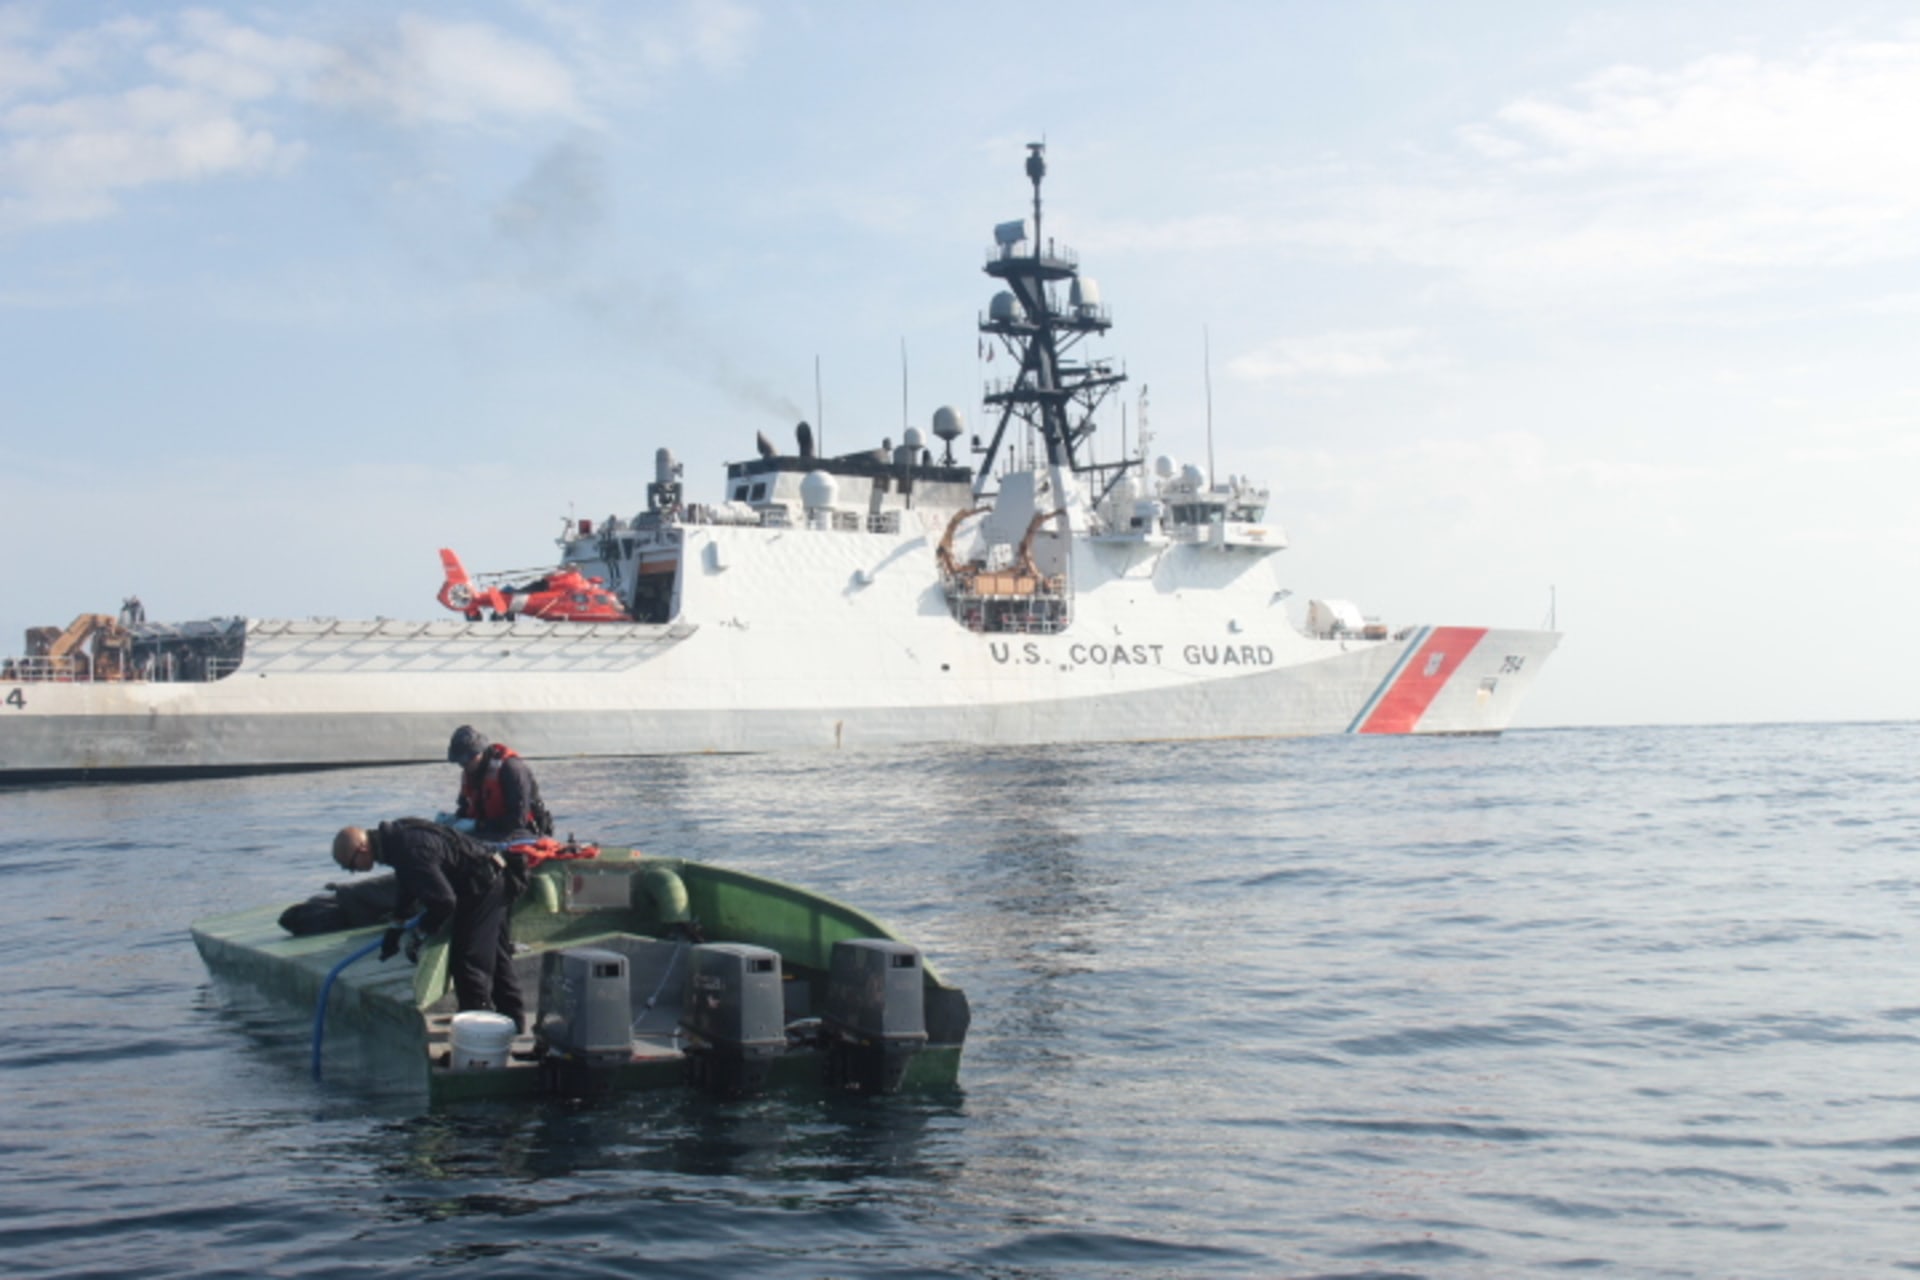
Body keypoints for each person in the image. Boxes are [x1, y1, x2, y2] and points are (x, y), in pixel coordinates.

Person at [331, 819, 526, 1032]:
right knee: (496, 955)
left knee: (468, 962)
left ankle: (478, 1034)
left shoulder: (406, 849)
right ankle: (514, 1021)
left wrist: (421, 932)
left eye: (351, 865)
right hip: (492, 877)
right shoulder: (396, 839)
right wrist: (395, 929)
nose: (354, 872)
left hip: (483, 887)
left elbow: (443, 902)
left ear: (363, 848)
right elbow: (409, 885)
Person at [446, 725, 552, 842]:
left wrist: (479, 825)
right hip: (488, 833)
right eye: (461, 762)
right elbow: (464, 808)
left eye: (468, 759)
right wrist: (453, 822)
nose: (464, 765)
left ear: (480, 751)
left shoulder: (511, 769)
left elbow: (518, 820)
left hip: (522, 833)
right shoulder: (470, 773)